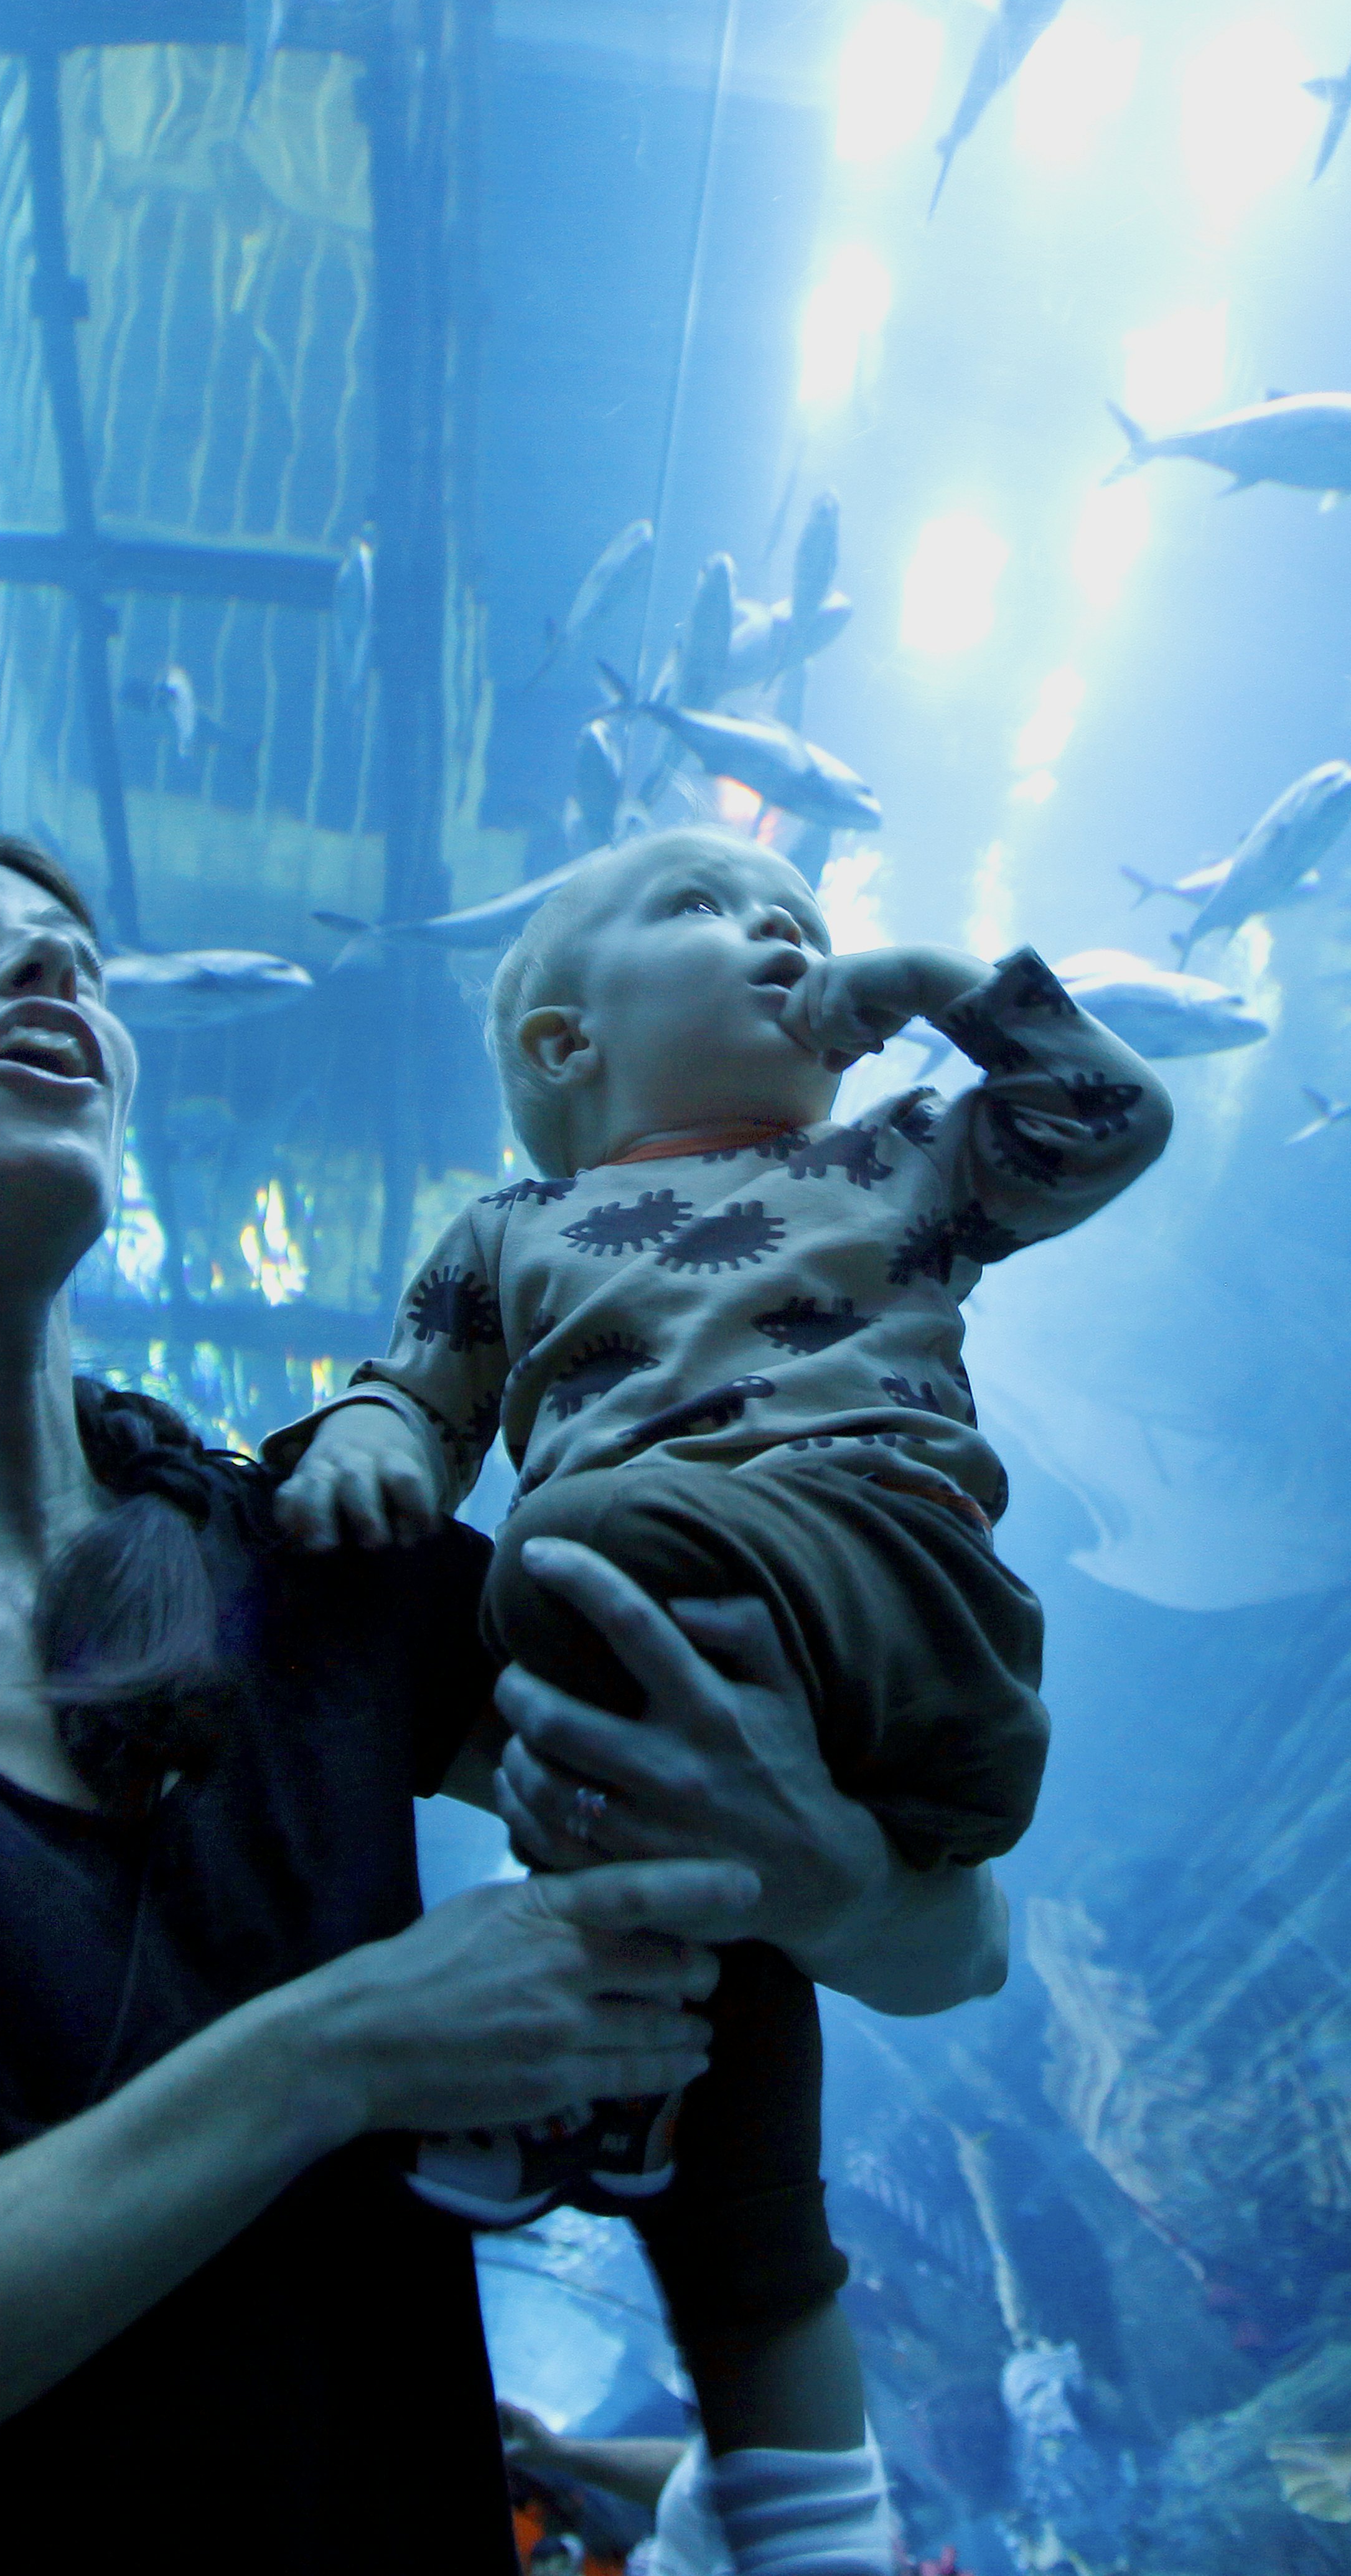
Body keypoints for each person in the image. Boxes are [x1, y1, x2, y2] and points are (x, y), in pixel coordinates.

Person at [0, 828, 1006, 2576]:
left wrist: (829, 1870)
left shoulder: (325, 1566)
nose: (47, 972)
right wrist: (343, 2047)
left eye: (75, 958)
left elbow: (947, 1948)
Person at [274, 825, 1170, 2575]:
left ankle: (564, 2040)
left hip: (894, 1599)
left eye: (800, 923)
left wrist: (936, 995)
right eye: (706, 911)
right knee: (746, 2171)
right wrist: (370, 1435)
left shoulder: (895, 1162)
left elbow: (1110, 1116)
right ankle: (805, 2514)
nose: (778, 938)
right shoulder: (513, 1229)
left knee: (575, 1542)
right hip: (675, 1675)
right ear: (561, 1045)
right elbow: (410, 1395)